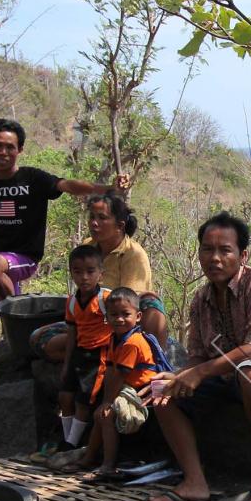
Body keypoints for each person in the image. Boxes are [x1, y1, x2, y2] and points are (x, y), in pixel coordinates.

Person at [141, 212, 251, 501]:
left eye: (225, 250)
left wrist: (201, 372)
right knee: (162, 394)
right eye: (208, 249)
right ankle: (195, 481)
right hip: (228, 381)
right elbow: (197, 354)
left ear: (242, 255)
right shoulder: (201, 299)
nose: (215, 258)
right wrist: (179, 376)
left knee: (248, 370)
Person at [0, 118, 126, 303]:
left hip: (24, 257)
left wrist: (108, 188)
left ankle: (17, 313)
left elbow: (68, 185)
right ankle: (12, 327)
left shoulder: (33, 178)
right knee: (0, 306)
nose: (3, 152)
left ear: (20, 150)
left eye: (10, 147)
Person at [31, 194, 168, 363]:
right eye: (92, 217)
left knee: (151, 305)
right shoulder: (87, 247)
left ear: (119, 226)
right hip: (89, 320)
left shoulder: (134, 254)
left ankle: (152, 362)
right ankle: (97, 357)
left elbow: (131, 302)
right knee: (37, 339)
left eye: (102, 218)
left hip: (119, 321)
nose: (94, 223)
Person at [85, 286, 171, 475]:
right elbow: (109, 370)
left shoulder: (133, 342)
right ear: (107, 317)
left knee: (107, 416)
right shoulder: (113, 339)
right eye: (114, 315)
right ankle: (88, 458)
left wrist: (108, 402)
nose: (120, 319)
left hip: (144, 389)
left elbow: (120, 374)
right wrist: (105, 400)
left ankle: (108, 465)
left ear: (138, 316)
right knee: (99, 414)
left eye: (126, 314)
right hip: (128, 387)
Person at [57, 245, 115, 451]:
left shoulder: (106, 299)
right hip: (79, 354)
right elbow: (72, 332)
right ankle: (67, 438)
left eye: (90, 271)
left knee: (83, 401)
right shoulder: (72, 302)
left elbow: (123, 320)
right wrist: (67, 363)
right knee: (65, 396)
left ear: (101, 273)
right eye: (78, 272)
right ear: (71, 272)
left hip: (99, 355)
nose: (84, 277)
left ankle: (71, 444)